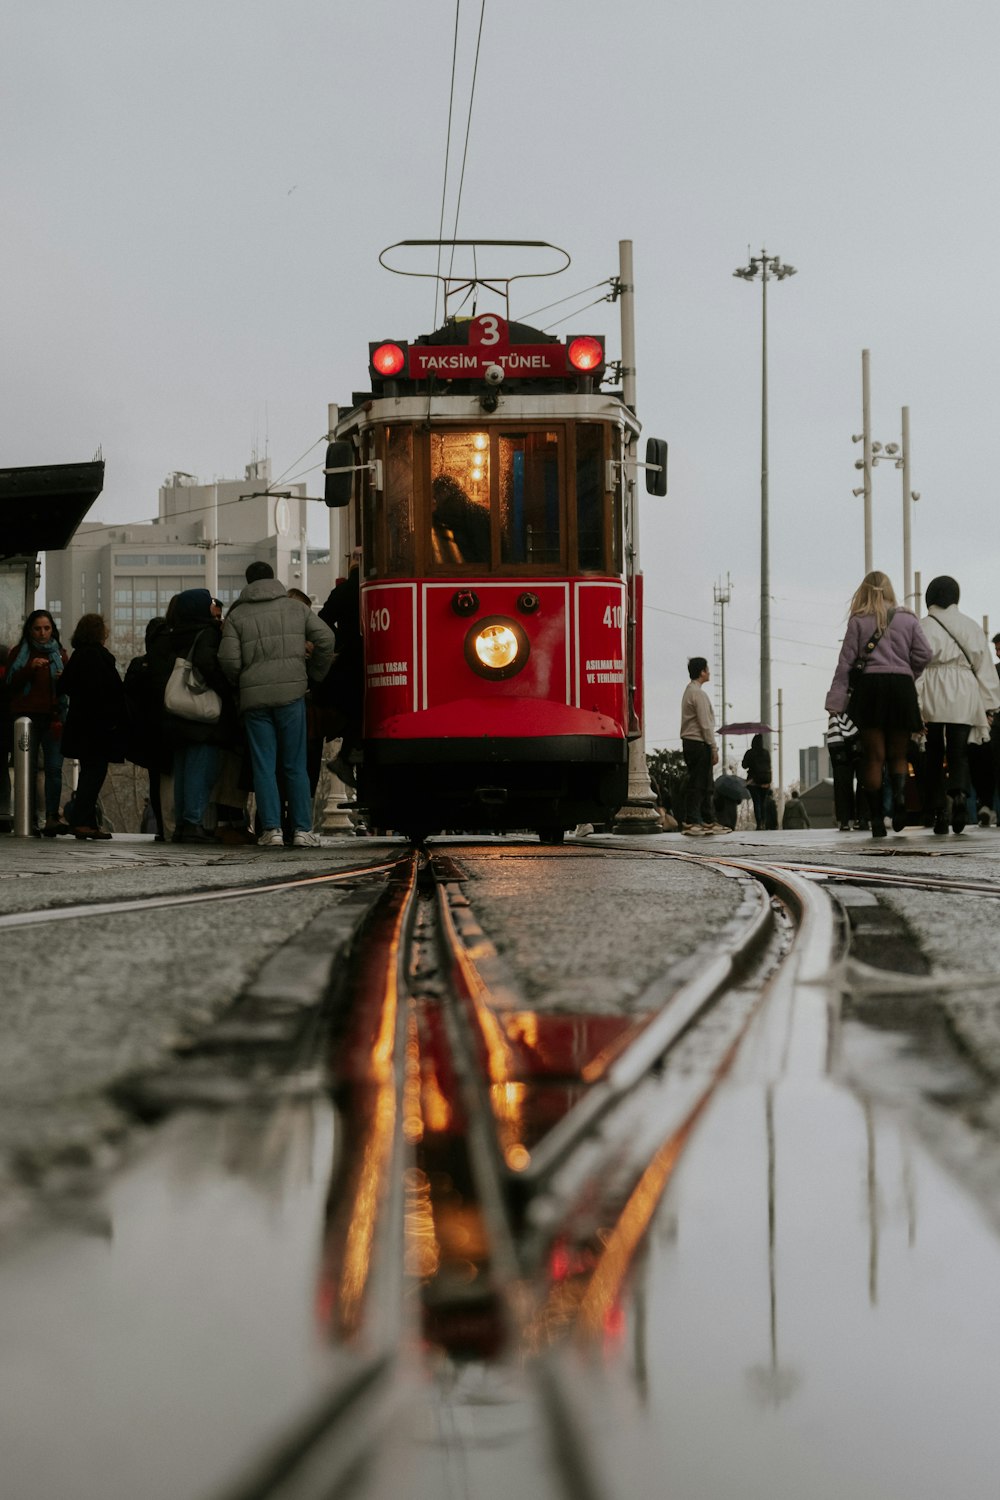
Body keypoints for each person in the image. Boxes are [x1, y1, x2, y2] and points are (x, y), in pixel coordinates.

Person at [219, 562, 335, 848]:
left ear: (247, 580)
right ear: (273, 579)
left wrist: (242, 680)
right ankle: (302, 830)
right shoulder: (296, 609)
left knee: (263, 765)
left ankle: (271, 830)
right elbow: (326, 638)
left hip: (255, 701)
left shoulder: (237, 615)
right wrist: (313, 675)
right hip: (292, 695)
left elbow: (228, 659)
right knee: (295, 765)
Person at [825, 571, 932, 839]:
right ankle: (899, 802)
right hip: (901, 689)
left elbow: (845, 663)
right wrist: (909, 673)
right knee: (899, 755)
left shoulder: (858, 621)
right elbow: (925, 654)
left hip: (870, 689)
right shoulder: (907, 618)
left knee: (873, 757)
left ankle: (875, 818)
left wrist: (836, 699)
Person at [916, 576, 1000, 836]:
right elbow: (984, 666)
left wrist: (915, 703)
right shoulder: (971, 626)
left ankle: (940, 809)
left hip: (932, 686)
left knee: (933, 752)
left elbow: (916, 665)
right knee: (958, 751)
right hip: (964, 689)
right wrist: (989, 705)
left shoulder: (923, 627)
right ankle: (961, 794)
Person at [151, 588, 233, 844]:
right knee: (201, 768)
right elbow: (207, 664)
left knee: (183, 770)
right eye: (208, 602)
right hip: (200, 715)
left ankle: (182, 825)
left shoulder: (171, 633)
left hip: (176, 713)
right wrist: (226, 690)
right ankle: (193, 823)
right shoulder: (206, 632)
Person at [59, 614, 126, 840]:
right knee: (94, 774)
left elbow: (64, 685)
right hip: (99, 728)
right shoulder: (99, 657)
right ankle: (81, 820)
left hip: (81, 726)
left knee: (90, 772)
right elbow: (113, 691)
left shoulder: (79, 656)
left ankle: (87, 821)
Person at [5, 609, 69, 834]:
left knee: (54, 769)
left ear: (53, 629)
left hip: (53, 720)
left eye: (47, 628)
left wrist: (64, 679)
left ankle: (52, 816)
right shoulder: (20, 653)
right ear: (30, 630)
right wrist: (29, 670)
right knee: (26, 770)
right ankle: (27, 816)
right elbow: (10, 686)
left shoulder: (59, 654)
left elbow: (68, 690)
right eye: (38, 629)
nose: (43, 633)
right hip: (26, 719)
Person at [317, 549, 363, 789]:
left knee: (354, 704)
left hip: (349, 658)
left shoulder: (343, 591)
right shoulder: (374, 588)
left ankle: (350, 751)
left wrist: (341, 640)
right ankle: (351, 752)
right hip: (371, 655)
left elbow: (323, 619)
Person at [124, 617, 169, 840]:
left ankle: (163, 826)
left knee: (156, 781)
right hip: (165, 729)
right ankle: (169, 825)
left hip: (148, 733)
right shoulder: (171, 663)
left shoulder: (140, 665)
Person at [679, 656, 720, 835]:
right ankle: (692, 820)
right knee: (699, 784)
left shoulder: (689, 691)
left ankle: (707, 819)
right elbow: (705, 724)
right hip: (698, 742)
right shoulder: (698, 694)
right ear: (702, 672)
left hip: (691, 742)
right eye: (707, 669)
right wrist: (713, 747)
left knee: (703, 782)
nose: (709, 672)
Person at [741, 733, 773, 830]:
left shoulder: (750, 752)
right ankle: (763, 821)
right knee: (763, 802)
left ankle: (759, 823)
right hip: (765, 781)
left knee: (757, 802)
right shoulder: (766, 752)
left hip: (753, 781)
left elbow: (744, 765)